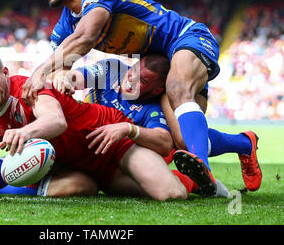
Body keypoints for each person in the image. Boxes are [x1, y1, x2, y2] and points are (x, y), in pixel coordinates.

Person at [21, 0, 223, 195]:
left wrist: (40, 71)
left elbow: (85, 37)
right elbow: (60, 71)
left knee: (178, 88)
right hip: (158, 61)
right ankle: (244, 143)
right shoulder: (64, 25)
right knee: (181, 140)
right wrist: (60, 77)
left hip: (186, 37)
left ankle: (203, 170)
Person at [0, 45, 199, 201]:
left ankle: (196, 181)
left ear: (4, 74)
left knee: (170, 195)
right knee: (83, 189)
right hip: (81, 167)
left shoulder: (30, 88)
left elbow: (57, 122)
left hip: (111, 141)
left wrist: (23, 131)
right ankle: (0, 185)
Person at [53, 53, 262, 192]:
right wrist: (67, 79)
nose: (130, 80)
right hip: (87, 144)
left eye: (141, 81)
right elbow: (80, 76)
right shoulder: (112, 69)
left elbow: (164, 143)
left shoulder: (153, 109)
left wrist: (129, 129)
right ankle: (243, 143)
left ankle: (203, 179)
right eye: (132, 72)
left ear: (156, 90)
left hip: (119, 159)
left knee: (179, 141)